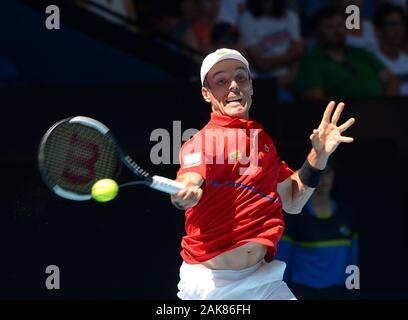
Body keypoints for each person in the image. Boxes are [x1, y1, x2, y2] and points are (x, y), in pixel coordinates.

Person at [170, 48, 356, 300]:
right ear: (206, 94)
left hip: (262, 280)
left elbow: (292, 201)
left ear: (251, 87)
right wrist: (185, 193)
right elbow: (188, 179)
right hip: (212, 285)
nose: (233, 86)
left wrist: (318, 155)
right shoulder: (201, 142)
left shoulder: (263, 142)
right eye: (221, 82)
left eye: (240, 77)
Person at [276, 162, 359, 300]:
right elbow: (283, 260)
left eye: (327, 173)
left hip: (338, 293)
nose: (323, 178)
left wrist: (353, 290)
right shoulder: (295, 217)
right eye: (318, 173)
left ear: (333, 175)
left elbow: (353, 258)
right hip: (303, 292)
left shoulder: (347, 214)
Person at [295, 6, 399, 100]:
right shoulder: (311, 62)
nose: (337, 31)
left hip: (380, 110)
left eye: (340, 25)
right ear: (317, 31)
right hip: (345, 117)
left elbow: (391, 80)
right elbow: (315, 99)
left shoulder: (361, 53)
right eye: (330, 27)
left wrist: (384, 103)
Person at [373, 2, 408, 95]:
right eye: (392, 24)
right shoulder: (371, 62)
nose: (397, 29)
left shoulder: (406, 59)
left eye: (400, 24)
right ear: (379, 30)